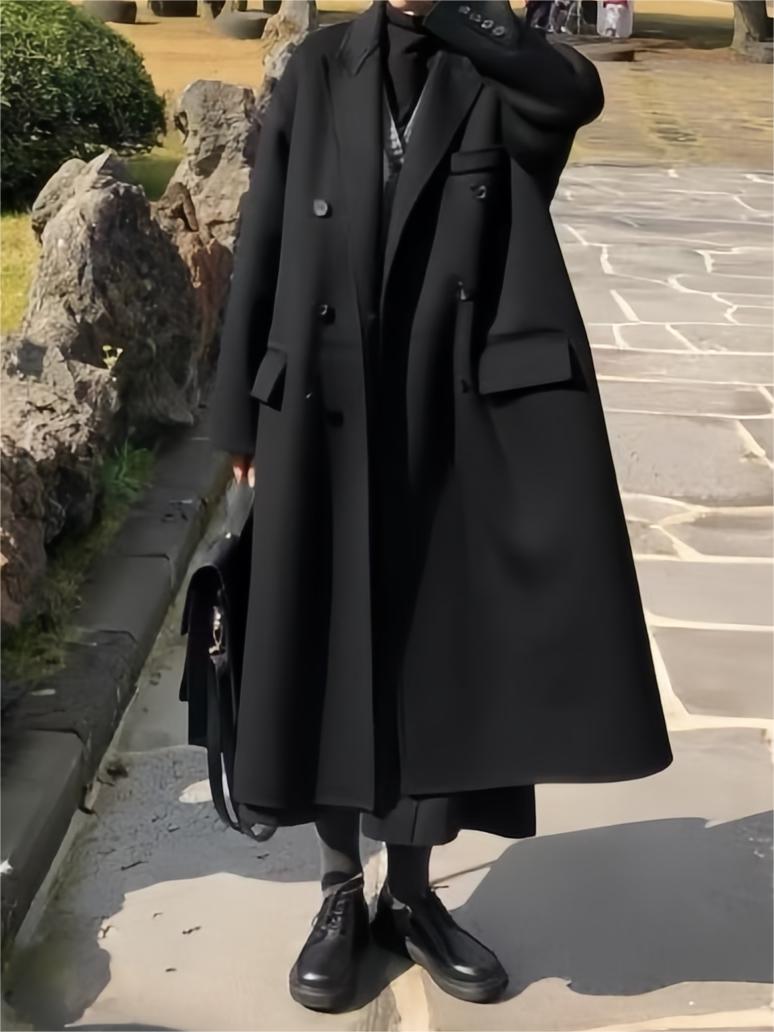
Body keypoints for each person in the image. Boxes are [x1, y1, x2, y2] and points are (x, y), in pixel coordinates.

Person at [209, 0, 672, 1013]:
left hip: (451, 410)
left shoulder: (494, 67)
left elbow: (575, 94)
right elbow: (266, 230)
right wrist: (237, 412)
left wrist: (461, 14)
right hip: (322, 401)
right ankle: (340, 891)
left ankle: (413, 897)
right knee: (326, 641)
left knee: (435, 653)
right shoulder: (319, 66)